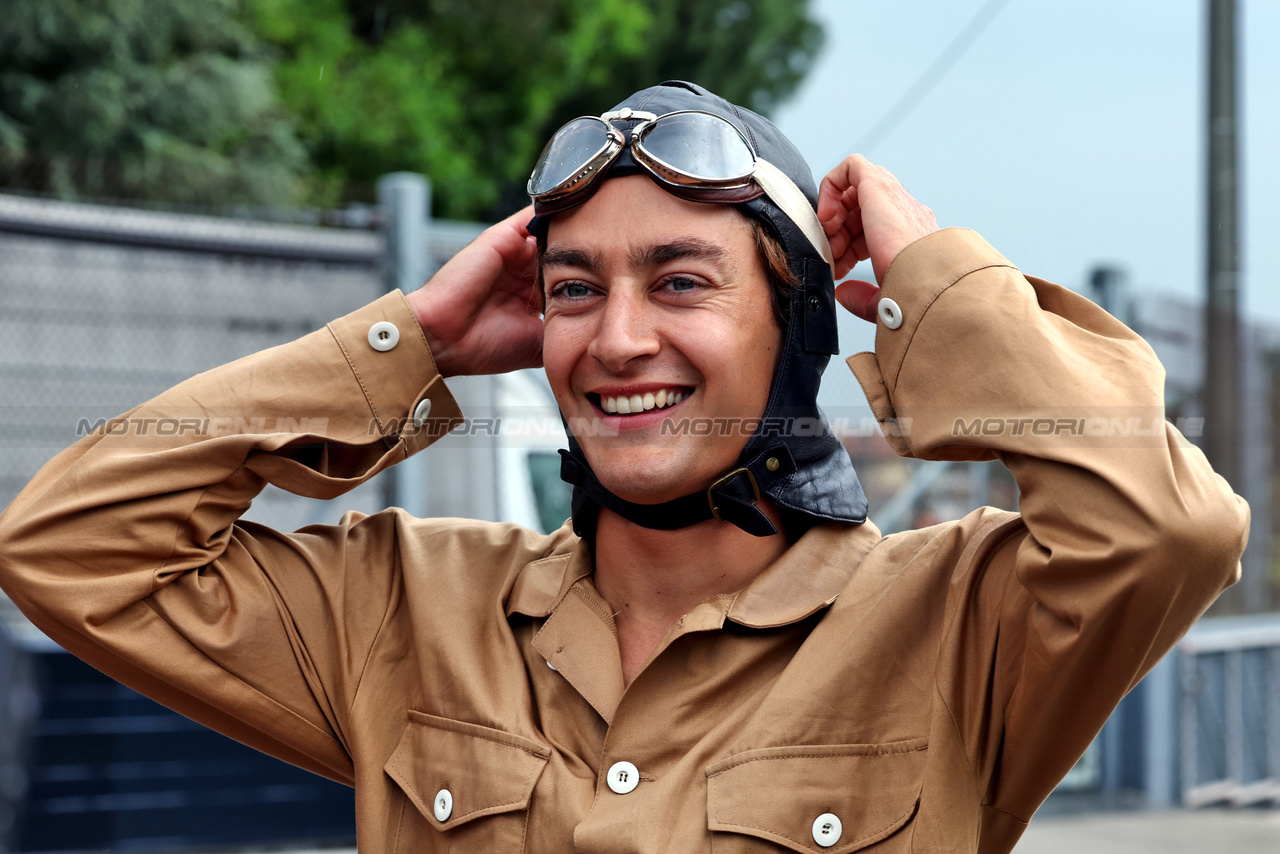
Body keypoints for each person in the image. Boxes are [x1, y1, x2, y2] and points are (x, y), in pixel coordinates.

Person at [0, 81, 1248, 853]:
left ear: (798, 319)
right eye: (571, 290)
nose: (617, 338)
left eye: (683, 282)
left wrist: (936, 287)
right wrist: (409, 343)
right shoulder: (403, 610)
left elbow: (1166, 529)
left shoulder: (961, 623)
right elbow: (70, 546)